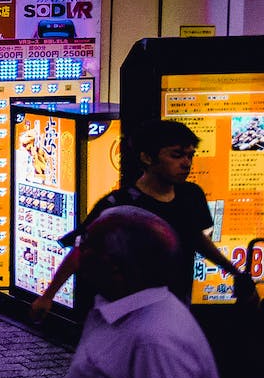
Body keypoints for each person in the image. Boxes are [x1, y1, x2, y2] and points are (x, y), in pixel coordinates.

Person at [33, 118, 257, 319]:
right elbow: (82, 249)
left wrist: (234, 272)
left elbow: (196, 238)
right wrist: (48, 295)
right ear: (147, 157)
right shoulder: (118, 204)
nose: (186, 163)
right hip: (126, 313)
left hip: (176, 307)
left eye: (190, 155)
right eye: (176, 155)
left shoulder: (191, 195)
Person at [56, 206, 226, 378]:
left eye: (87, 249)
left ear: (115, 265)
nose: (79, 258)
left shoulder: (155, 340)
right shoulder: (110, 310)